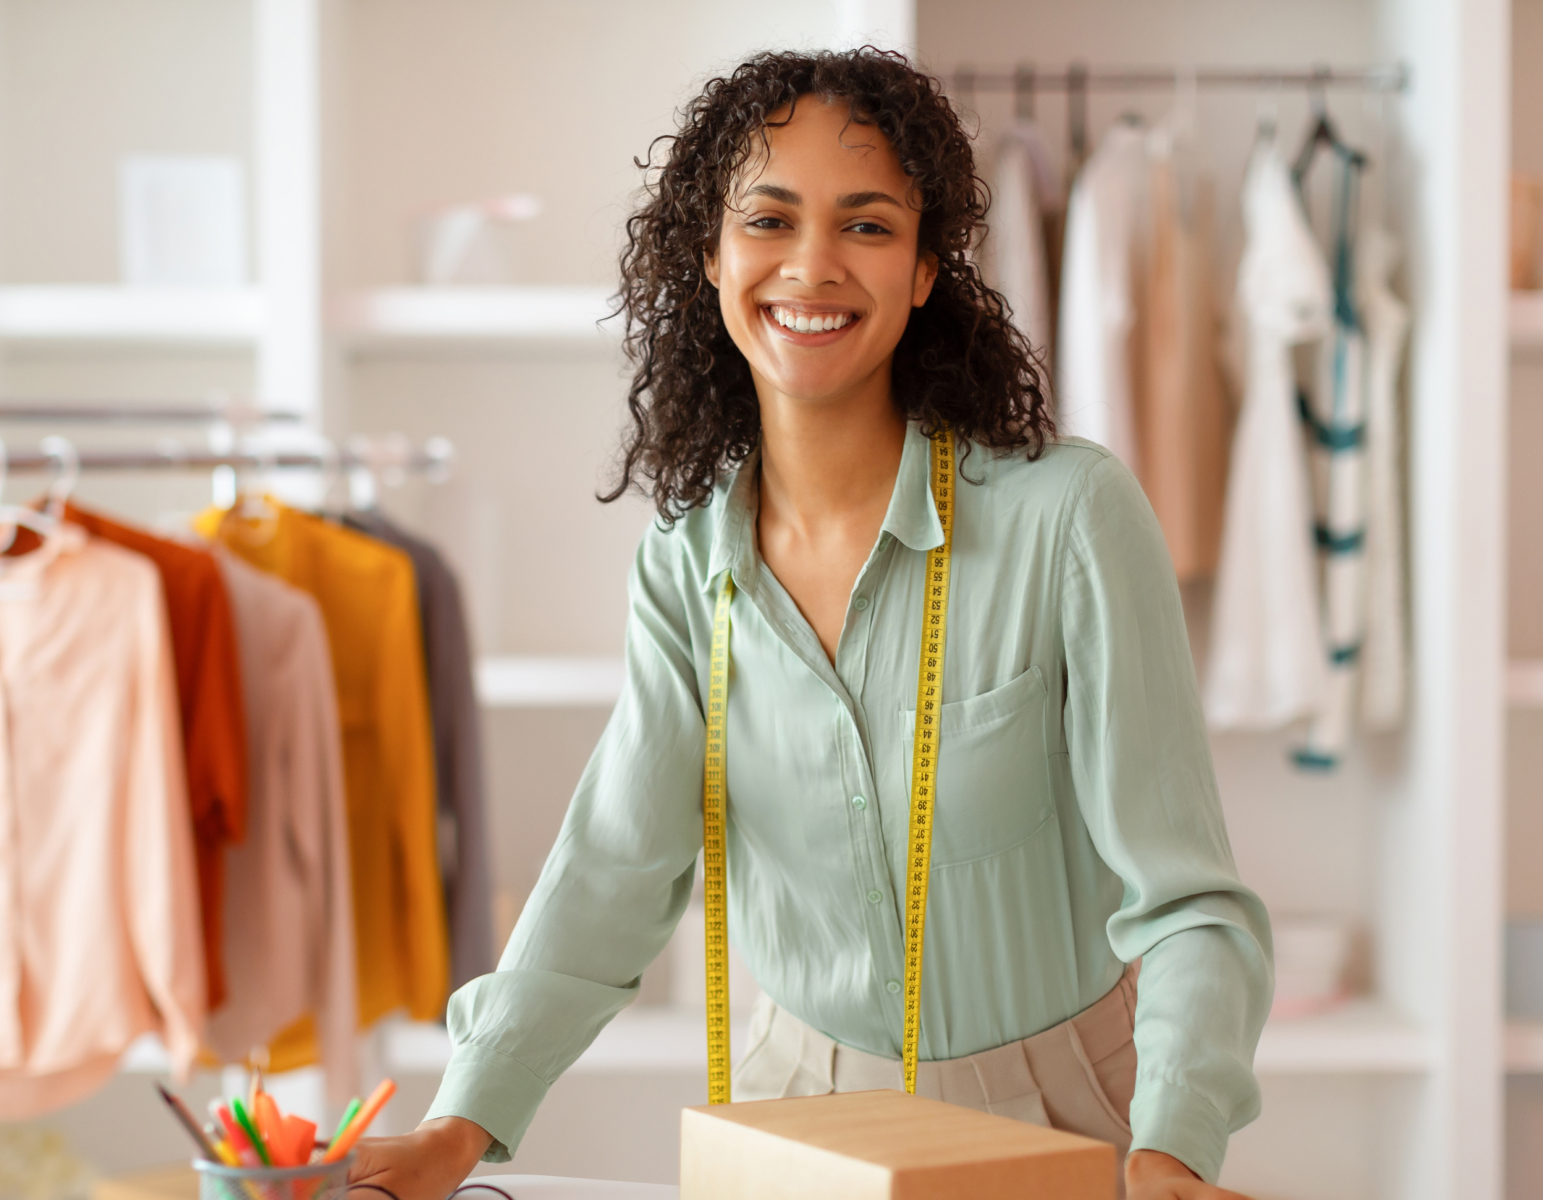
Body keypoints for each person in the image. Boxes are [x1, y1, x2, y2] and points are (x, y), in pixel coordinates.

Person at [352, 49, 1271, 1200]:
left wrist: (1173, 1149)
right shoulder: (690, 563)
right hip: (788, 1114)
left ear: (931, 266)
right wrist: (457, 1125)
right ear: (710, 254)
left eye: (869, 226)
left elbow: (1188, 904)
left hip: (1063, 1118)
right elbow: (610, 871)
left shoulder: (1068, 519)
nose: (812, 266)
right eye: (768, 220)